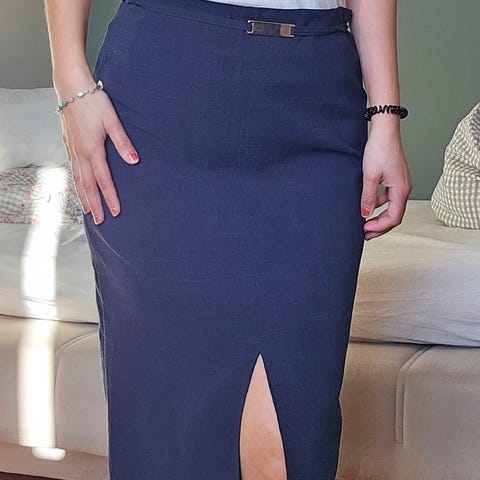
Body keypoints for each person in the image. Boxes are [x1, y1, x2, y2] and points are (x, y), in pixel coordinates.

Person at [44, 0, 412, 478]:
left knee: (293, 430)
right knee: (171, 431)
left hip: (317, 100)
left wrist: (386, 115)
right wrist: (70, 83)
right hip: (162, 103)